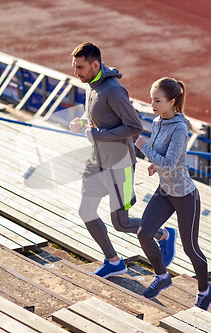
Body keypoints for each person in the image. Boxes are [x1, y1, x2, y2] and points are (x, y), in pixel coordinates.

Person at [69, 42, 178, 279]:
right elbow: (101, 116)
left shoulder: (113, 91)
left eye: (80, 67)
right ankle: (114, 261)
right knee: (86, 211)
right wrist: (83, 122)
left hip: (120, 166)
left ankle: (164, 235)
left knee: (121, 222)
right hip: (97, 162)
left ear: (95, 65)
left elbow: (134, 126)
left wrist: (96, 134)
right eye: (75, 66)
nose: (76, 72)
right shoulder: (92, 83)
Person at [134, 77, 211, 310]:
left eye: (157, 100)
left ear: (172, 101)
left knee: (191, 249)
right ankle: (162, 276)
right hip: (165, 190)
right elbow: (161, 154)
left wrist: (142, 146)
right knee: (144, 233)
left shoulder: (180, 128)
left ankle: (205, 291)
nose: (152, 104)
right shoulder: (159, 120)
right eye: (152, 99)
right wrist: (154, 163)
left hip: (184, 195)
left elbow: (169, 164)